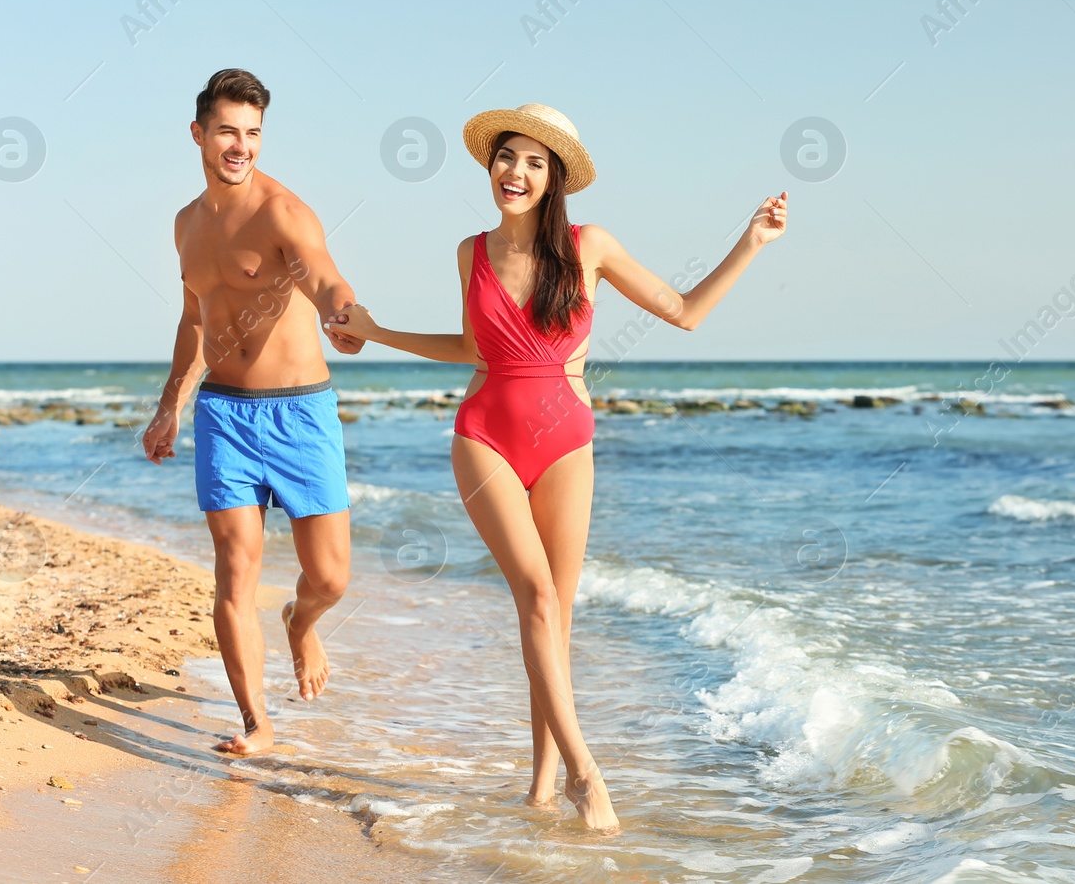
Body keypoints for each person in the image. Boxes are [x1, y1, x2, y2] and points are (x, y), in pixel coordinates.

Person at [329, 104, 788, 829]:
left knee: (554, 618)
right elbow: (478, 350)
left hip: (568, 444)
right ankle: (585, 771)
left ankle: (539, 787)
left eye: (534, 162)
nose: (516, 171)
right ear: (492, 168)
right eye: (507, 157)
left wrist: (752, 242)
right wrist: (377, 330)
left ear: (555, 178)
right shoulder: (469, 253)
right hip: (485, 436)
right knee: (539, 598)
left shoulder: (589, 246)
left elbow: (686, 310)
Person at [142, 68, 363, 755]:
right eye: (229, 132)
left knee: (330, 576)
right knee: (234, 566)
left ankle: (302, 622)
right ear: (199, 133)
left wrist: (340, 311)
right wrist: (169, 404)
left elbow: (324, 274)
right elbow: (192, 318)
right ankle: (256, 723)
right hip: (224, 416)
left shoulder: (281, 213)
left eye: (253, 133)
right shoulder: (185, 224)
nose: (242, 146)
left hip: (300, 413)